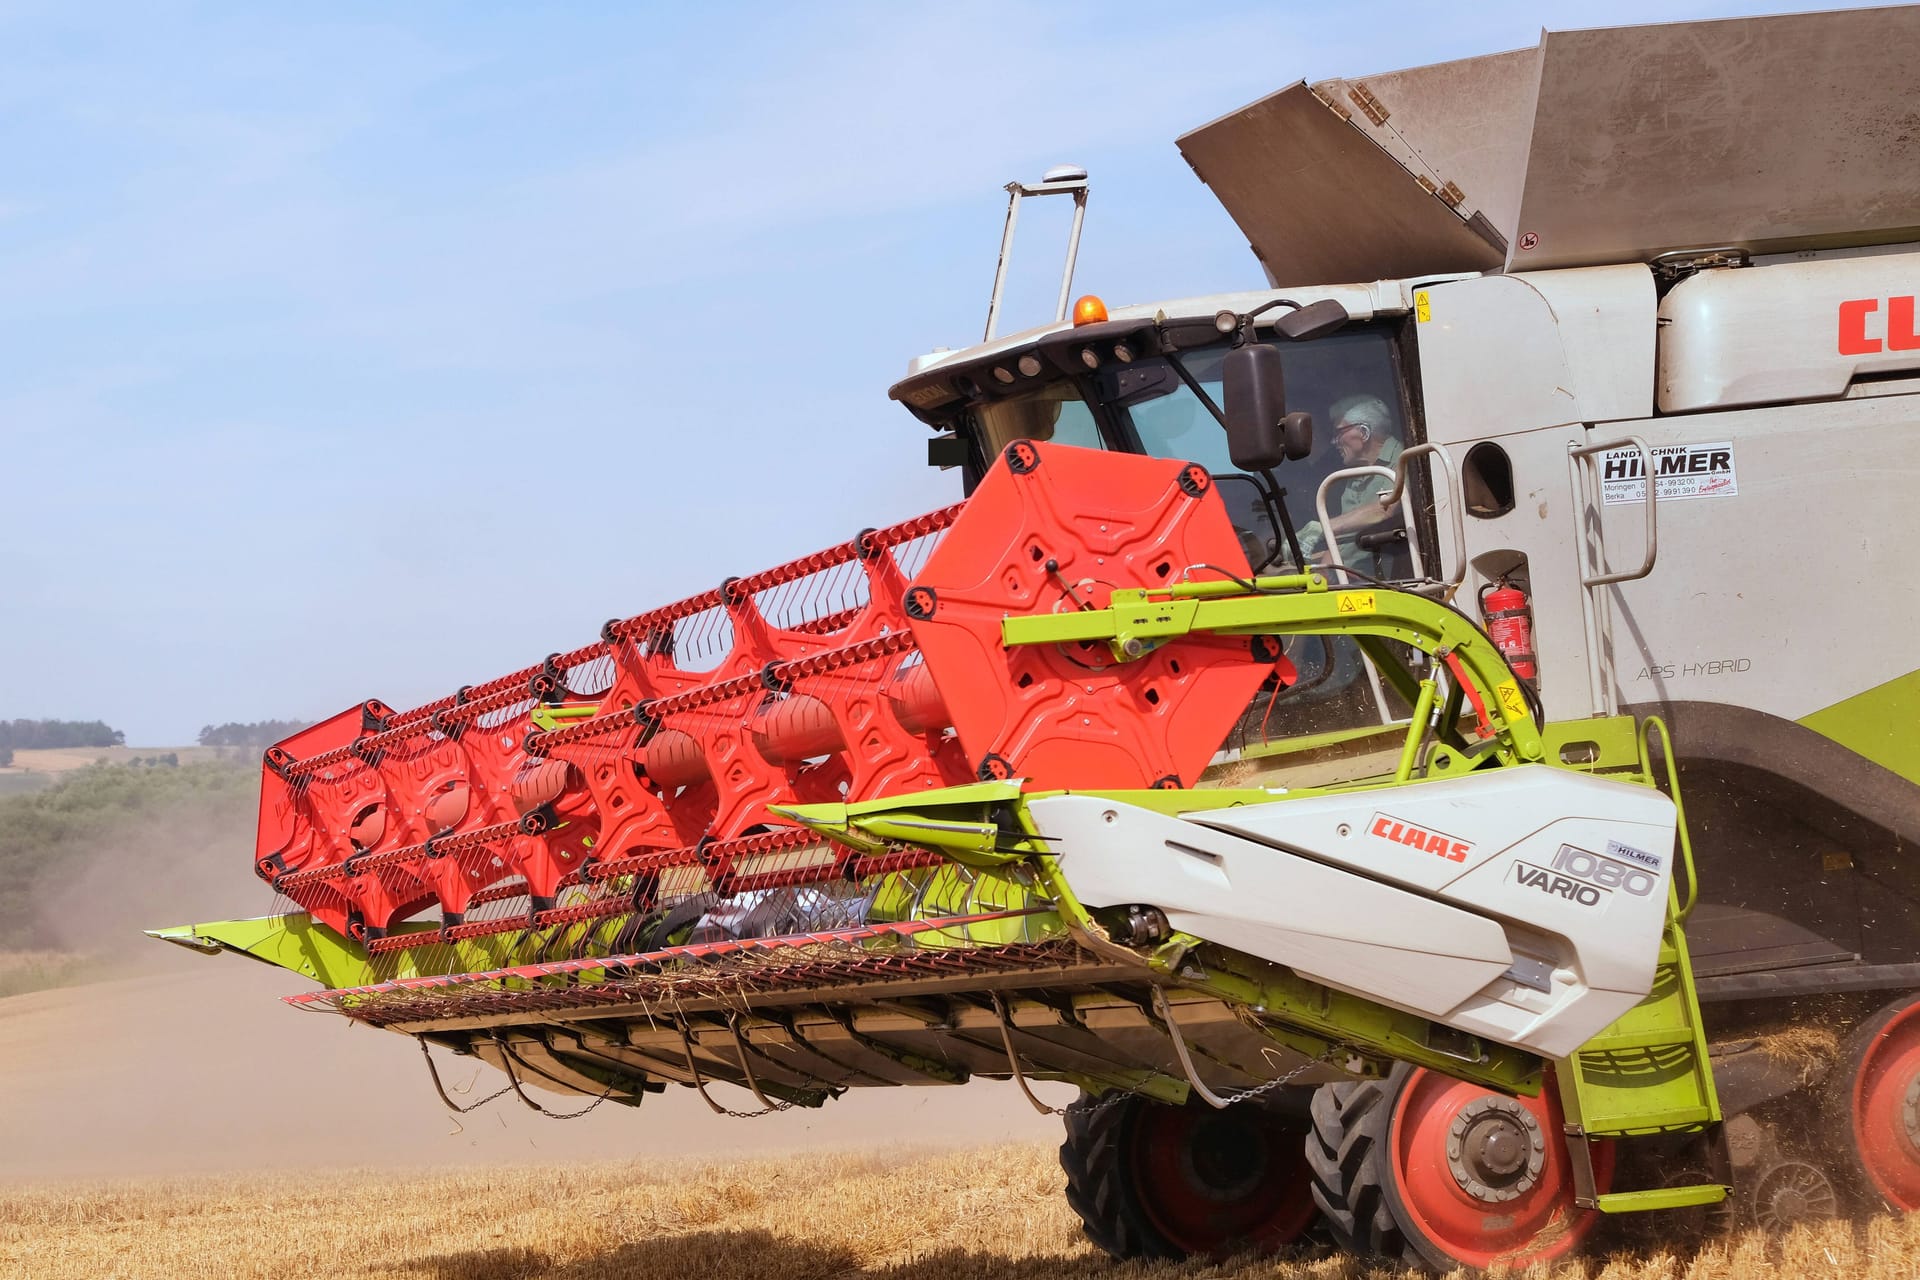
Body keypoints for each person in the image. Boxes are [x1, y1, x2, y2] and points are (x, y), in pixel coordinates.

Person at [1293, 393, 1403, 573]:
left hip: (1381, 578)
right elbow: (1343, 538)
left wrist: (1323, 527)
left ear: (1363, 432)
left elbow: (1385, 509)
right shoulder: (1355, 476)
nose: (1333, 441)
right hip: (1349, 580)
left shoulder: (1403, 459)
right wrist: (1322, 574)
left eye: (1338, 432)